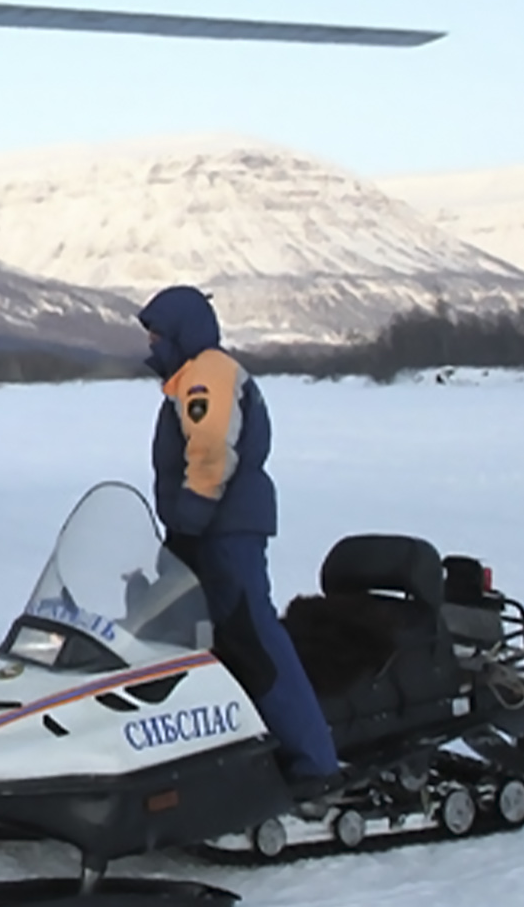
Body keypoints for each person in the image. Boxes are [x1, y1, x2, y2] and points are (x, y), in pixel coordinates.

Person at [138, 284, 340, 792]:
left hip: (224, 532)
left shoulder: (208, 374)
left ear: (183, 333)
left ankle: (314, 760)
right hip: (208, 529)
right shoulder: (190, 378)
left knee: (253, 636)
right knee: (208, 642)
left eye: (159, 335)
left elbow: (210, 453)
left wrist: (188, 525)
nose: (152, 346)